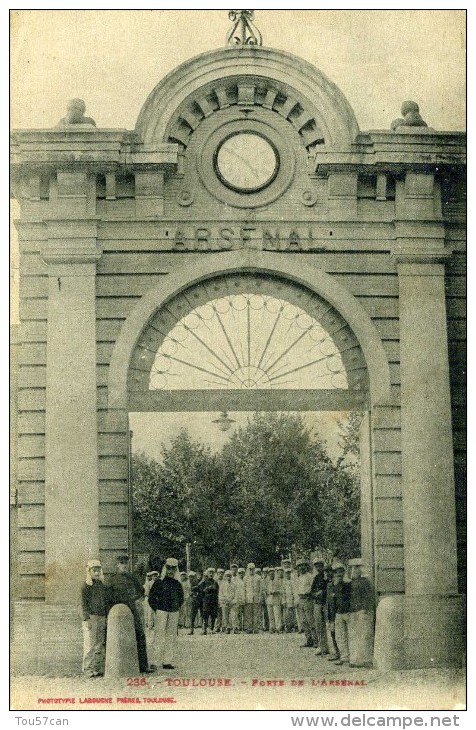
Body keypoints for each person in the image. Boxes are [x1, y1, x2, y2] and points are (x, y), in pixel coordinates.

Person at [109, 554, 153, 673]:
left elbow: (141, 591)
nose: (124, 565)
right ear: (117, 565)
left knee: (140, 634)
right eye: (122, 563)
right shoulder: (112, 579)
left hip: (132, 609)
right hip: (117, 610)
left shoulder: (131, 577)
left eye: (126, 563)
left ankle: (143, 666)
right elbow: (108, 596)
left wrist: (134, 598)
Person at [148, 557, 184, 670]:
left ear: (176, 570)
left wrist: (176, 607)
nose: (171, 571)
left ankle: (167, 661)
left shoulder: (178, 584)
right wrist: (157, 609)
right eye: (169, 568)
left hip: (174, 612)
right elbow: (151, 598)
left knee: (171, 636)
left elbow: (181, 598)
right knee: (159, 636)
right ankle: (154, 661)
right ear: (165, 568)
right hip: (161, 611)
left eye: (173, 569)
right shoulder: (159, 582)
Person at [80, 559, 109, 678]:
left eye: (98, 570)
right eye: (94, 571)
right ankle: (87, 669)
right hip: (90, 618)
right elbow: (82, 604)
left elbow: (105, 602)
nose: (96, 573)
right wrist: (86, 619)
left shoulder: (102, 585)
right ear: (89, 571)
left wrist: (106, 616)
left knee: (99, 644)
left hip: (101, 617)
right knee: (89, 645)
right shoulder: (85, 586)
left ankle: (97, 668)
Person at [348, 558, 375, 668]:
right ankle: (356, 659)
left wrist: (366, 608)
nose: (354, 570)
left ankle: (366, 659)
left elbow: (369, 597)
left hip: (363, 611)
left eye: (357, 568)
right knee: (355, 636)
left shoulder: (365, 582)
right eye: (352, 568)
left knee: (365, 636)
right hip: (354, 611)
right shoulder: (352, 583)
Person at [332, 561, 352, 666]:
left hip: (348, 612)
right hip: (339, 612)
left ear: (343, 571)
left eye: (340, 571)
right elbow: (334, 600)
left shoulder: (348, 583)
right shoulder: (335, 585)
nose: (338, 573)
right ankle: (344, 657)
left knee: (350, 635)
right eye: (336, 572)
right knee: (340, 636)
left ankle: (352, 657)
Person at [295, 558, 316, 647]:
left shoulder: (310, 576)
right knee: (303, 621)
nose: (301, 568)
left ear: (306, 567)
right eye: (299, 566)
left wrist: (310, 595)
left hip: (308, 599)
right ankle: (309, 640)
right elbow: (297, 590)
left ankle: (315, 640)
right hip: (301, 599)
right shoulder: (299, 578)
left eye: (303, 565)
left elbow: (313, 588)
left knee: (310, 620)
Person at [311, 557, 329, 656]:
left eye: (320, 566)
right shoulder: (316, 578)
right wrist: (316, 594)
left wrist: (323, 592)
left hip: (326, 603)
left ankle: (329, 647)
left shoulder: (327, 577)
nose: (318, 568)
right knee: (319, 625)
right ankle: (322, 647)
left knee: (327, 625)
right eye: (316, 566)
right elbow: (311, 592)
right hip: (318, 603)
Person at [200, 568, 219, 634]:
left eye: (212, 573)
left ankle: (211, 629)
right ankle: (204, 629)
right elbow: (201, 591)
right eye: (209, 573)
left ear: (214, 574)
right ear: (207, 574)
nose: (211, 574)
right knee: (205, 615)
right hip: (206, 601)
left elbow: (217, 592)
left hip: (214, 601)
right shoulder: (204, 582)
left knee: (213, 615)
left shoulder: (215, 582)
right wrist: (208, 588)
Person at [244, 563, 261, 633]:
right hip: (248, 597)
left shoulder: (258, 577)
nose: (251, 570)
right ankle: (249, 628)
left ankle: (256, 628)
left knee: (256, 613)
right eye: (250, 569)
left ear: (254, 569)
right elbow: (244, 589)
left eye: (252, 569)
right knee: (248, 614)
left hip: (256, 597)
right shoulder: (245, 578)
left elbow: (260, 588)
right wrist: (244, 597)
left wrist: (259, 597)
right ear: (248, 569)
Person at [188, 570, 203, 635]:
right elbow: (191, 590)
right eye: (198, 574)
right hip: (195, 600)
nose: (200, 576)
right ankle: (191, 630)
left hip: (202, 600)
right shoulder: (193, 581)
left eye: (201, 574)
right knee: (193, 615)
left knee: (203, 615)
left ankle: (203, 629)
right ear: (196, 575)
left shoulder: (204, 581)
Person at [233, 567, 246, 632]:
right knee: (237, 614)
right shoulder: (236, 581)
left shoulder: (246, 580)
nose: (241, 574)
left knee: (245, 614)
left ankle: (244, 626)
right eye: (240, 573)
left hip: (245, 599)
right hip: (238, 599)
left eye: (242, 573)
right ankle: (237, 627)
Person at [283, 567, 296, 632]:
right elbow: (283, 592)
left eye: (289, 573)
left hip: (293, 599)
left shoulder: (293, 581)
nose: (288, 575)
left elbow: (294, 591)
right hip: (287, 600)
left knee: (294, 613)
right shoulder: (284, 582)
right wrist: (284, 600)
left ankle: (295, 626)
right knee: (288, 614)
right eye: (286, 573)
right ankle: (288, 627)